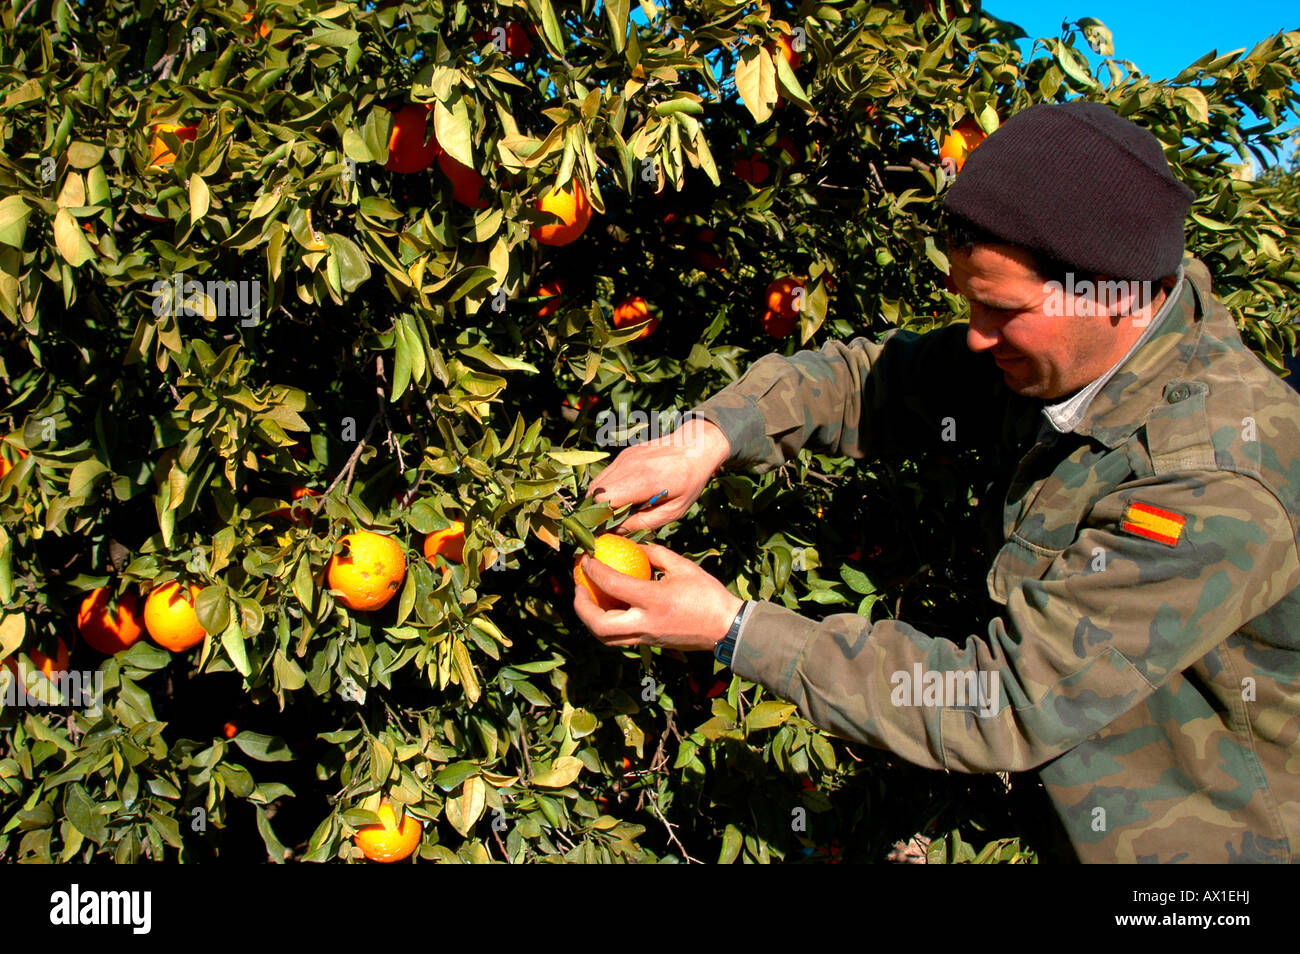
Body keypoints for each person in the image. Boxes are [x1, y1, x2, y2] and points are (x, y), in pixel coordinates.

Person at [572, 101, 1300, 864]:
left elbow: (1001, 701)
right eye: (969, 303)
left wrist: (733, 629)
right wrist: (706, 438)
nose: (978, 336)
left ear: (1111, 294)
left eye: (1001, 310)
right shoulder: (1063, 356)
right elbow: (870, 380)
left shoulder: (1213, 480)